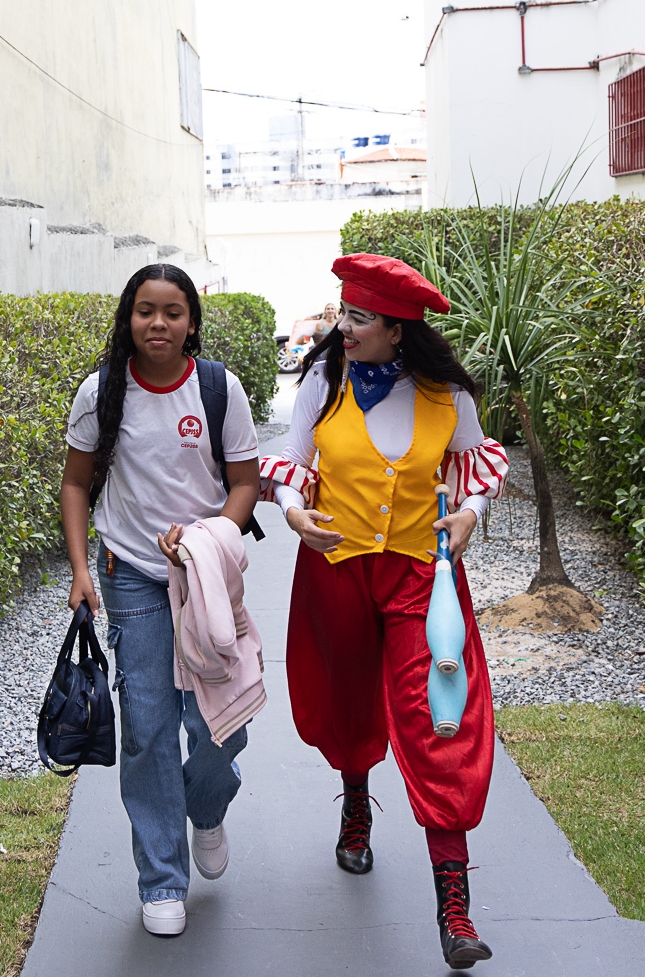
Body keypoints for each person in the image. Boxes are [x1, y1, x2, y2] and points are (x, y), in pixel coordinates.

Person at [260, 253, 509, 970]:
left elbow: (476, 466)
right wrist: (295, 513)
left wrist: (469, 513)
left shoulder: (446, 394)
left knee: (440, 719)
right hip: (335, 568)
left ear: (398, 330)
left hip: (419, 578)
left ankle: (454, 909)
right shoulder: (322, 380)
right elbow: (294, 464)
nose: (344, 327)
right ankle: (356, 798)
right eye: (343, 312)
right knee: (347, 699)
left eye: (360, 317)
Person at [59, 264, 263, 938]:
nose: (158, 323)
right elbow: (76, 484)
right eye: (145, 310)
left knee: (220, 723)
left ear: (191, 322)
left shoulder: (218, 388)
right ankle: (162, 879)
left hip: (206, 577)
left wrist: (206, 539)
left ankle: (207, 806)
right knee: (148, 729)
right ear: (129, 317)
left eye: (172, 311)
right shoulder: (101, 391)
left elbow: (244, 484)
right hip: (133, 576)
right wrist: (82, 569)